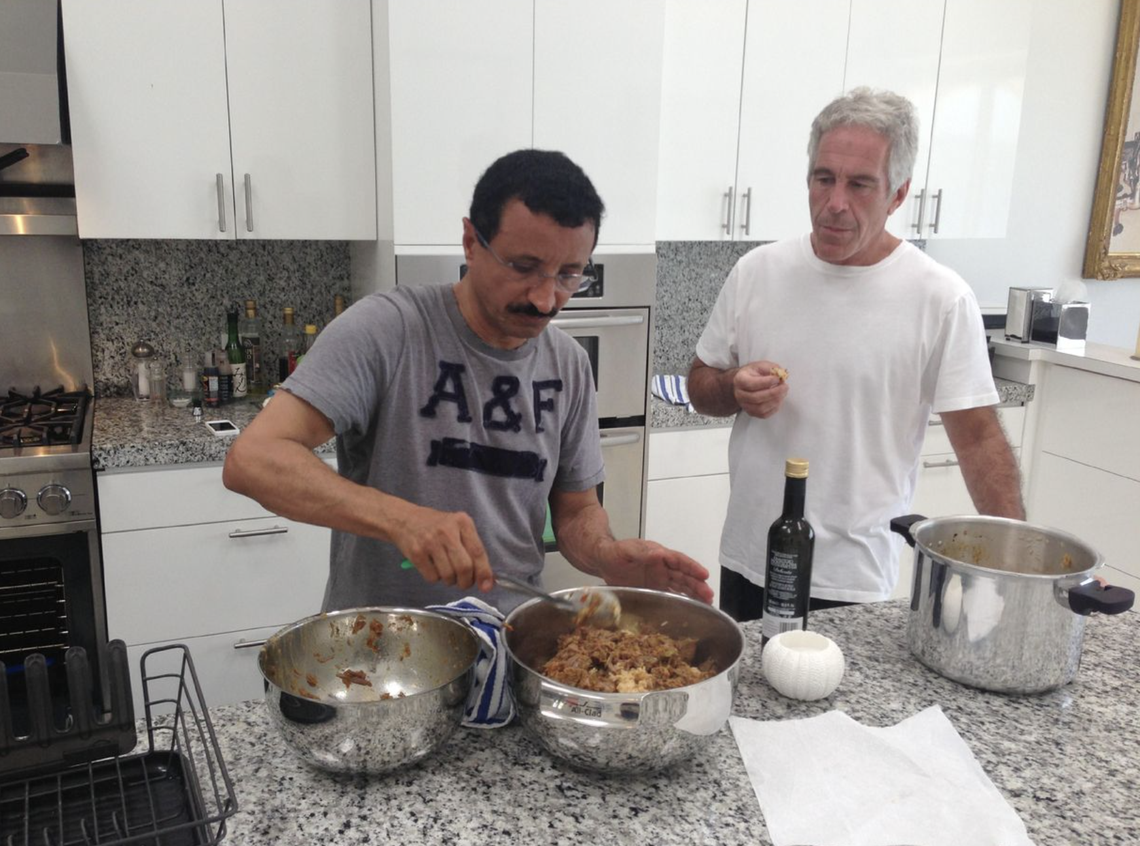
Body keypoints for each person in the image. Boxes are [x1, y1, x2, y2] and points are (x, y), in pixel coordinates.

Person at [223, 149, 712, 613]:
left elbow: (576, 511)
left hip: (507, 640)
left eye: (569, 275)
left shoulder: (568, 364)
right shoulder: (387, 330)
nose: (545, 300)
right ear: (471, 243)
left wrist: (608, 555)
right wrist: (401, 520)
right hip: (383, 649)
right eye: (524, 268)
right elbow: (253, 460)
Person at [687, 87, 1025, 622]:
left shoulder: (938, 297)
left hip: (855, 575)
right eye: (824, 179)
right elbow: (700, 384)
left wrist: (1018, 566)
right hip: (751, 557)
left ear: (897, 194)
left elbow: (979, 438)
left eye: (860, 184)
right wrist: (731, 387)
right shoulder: (758, 272)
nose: (835, 202)